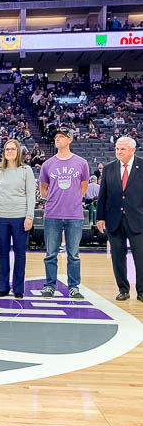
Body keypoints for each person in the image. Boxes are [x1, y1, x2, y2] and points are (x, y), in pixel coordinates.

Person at [39, 127, 89, 299]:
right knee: (50, 253)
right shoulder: (47, 164)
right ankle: (50, 286)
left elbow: (83, 188)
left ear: (70, 140)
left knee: (73, 254)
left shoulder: (81, 163)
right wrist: (55, 200)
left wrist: (71, 201)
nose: (57, 139)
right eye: (56, 137)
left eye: (61, 137)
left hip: (74, 215)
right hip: (52, 213)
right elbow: (43, 189)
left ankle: (73, 287)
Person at [0, 140, 36, 298]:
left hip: (20, 217)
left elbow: (30, 194)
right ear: (4, 152)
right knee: (3, 253)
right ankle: (3, 286)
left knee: (20, 253)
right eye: (7, 149)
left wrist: (30, 215)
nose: (9, 151)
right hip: (0, 217)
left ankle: (18, 288)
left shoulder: (26, 170)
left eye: (13, 149)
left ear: (18, 151)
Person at [96, 137, 143, 302]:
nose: (118, 152)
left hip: (138, 219)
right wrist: (100, 217)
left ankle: (142, 291)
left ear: (132, 150)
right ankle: (123, 289)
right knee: (117, 256)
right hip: (114, 219)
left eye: (122, 149)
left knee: (140, 257)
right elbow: (103, 195)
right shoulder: (108, 168)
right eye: (117, 149)